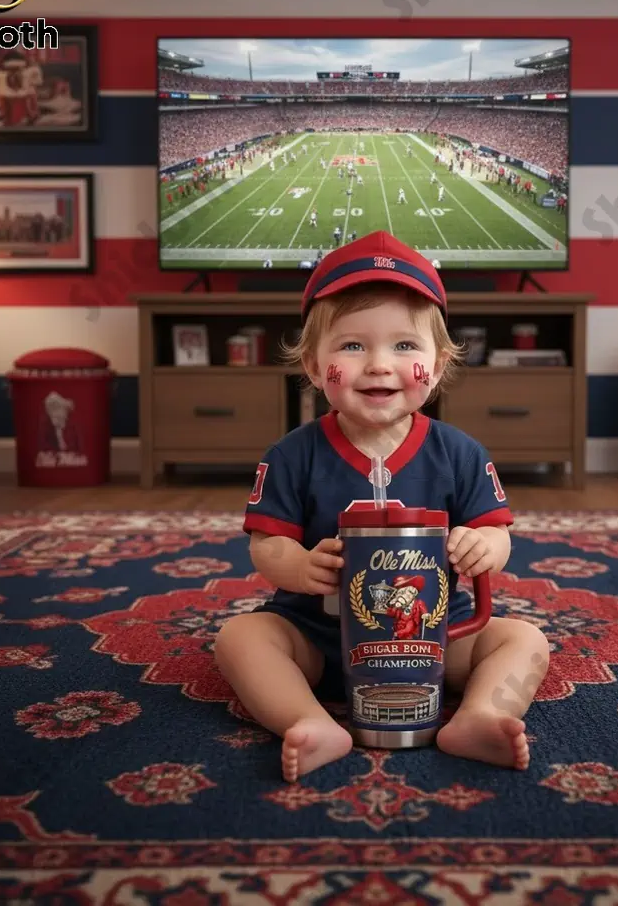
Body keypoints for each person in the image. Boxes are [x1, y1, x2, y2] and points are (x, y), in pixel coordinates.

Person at [215, 231, 551, 782]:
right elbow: (266, 544)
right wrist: (299, 566)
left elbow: (497, 533)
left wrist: (483, 546)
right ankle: (307, 719)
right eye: (352, 346)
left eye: (404, 346)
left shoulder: (460, 453)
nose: (378, 364)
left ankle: (480, 716)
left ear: (437, 366)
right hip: (317, 636)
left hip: (432, 637)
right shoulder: (292, 454)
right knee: (240, 638)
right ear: (312, 364)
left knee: (525, 640)